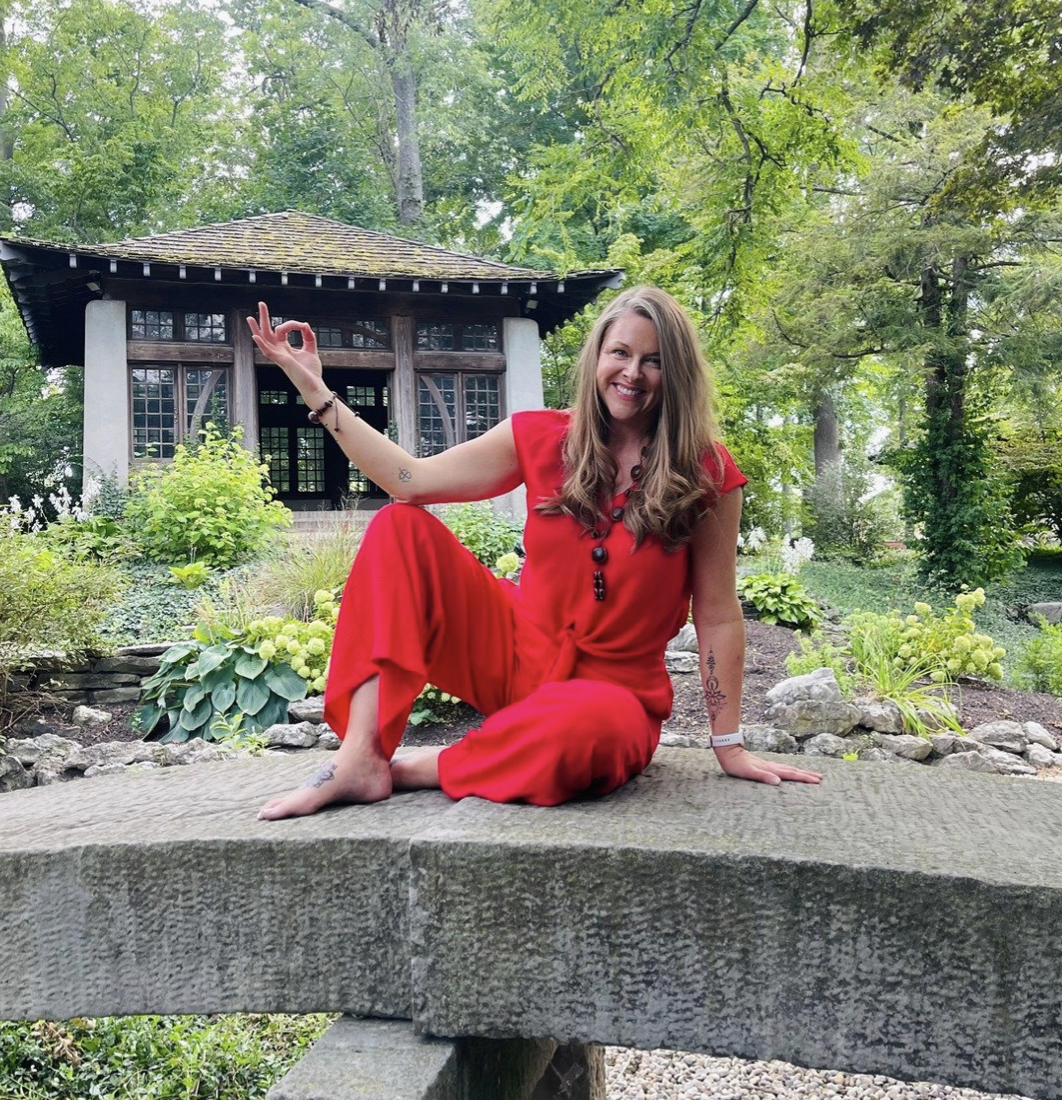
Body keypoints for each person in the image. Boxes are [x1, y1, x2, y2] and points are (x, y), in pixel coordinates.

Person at [248, 288, 821, 820]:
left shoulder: (706, 472)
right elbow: (410, 480)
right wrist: (315, 390)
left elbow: (717, 615)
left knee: (580, 733)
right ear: (596, 358)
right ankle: (359, 754)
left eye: (654, 360)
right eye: (620, 353)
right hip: (516, 652)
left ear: (678, 373)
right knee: (400, 526)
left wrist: (728, 743)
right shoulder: (542, 436)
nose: (632, 373)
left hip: (612, 698)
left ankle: (411, 769)